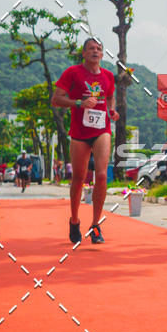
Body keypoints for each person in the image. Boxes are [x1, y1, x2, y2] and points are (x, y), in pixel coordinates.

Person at [51, 37, 119, 244]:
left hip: (102, 129)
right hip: (80, 133)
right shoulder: (73, 73)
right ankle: (74, 220)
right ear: (83, 53)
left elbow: (109, 96)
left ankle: (96, 225)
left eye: (99, 48)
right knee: (79, 178)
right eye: (91, 48)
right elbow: (56, 99)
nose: (95, 52)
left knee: (100, 175)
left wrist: (112, 110)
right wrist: (79, 103)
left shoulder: (108, 75)